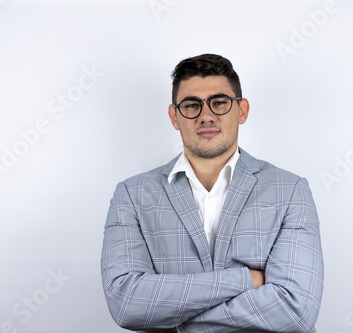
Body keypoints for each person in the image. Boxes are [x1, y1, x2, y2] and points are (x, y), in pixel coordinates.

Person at [101, 54, 324, 333]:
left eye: (219, 102)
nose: (206, 116)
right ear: (174, 116)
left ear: (241, 111)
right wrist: (248, 279)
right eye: (192, 105)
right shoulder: (132, 196)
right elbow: (126, 303)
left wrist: (176, 321)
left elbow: (296, 308)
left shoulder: (290, 190)